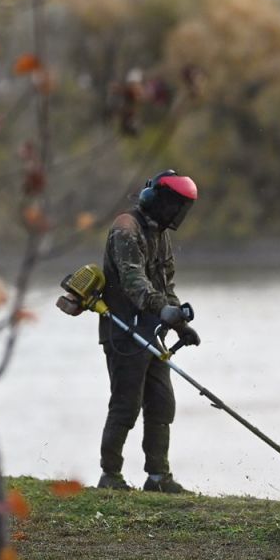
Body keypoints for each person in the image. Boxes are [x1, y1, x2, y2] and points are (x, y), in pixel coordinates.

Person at [96, 170, 201, 493]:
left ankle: (158, 476)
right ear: (155, 199)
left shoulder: (161, 234)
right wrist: (162, 309)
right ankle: (110, 475)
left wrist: (180, 323)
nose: (176, 213)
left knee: (161, 402)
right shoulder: (125, 229)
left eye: (181, 207)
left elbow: (165, 283)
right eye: (174, 204)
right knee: (126, 404)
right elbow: (134, 283)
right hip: (124, 331)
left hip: (153, 333)